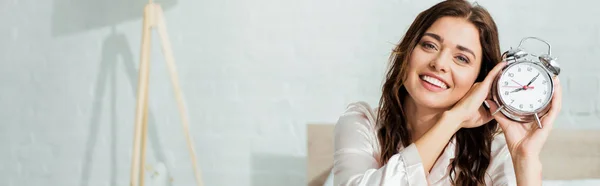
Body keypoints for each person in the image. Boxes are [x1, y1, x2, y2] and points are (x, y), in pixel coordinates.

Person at [332, 0, 563, 185]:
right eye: (429, 45)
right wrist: (452, 119)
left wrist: (525, 158)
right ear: (408, 51)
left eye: (461, 58)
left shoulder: (495, 156)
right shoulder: (363, 124)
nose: (439, 63)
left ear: (480, 80)